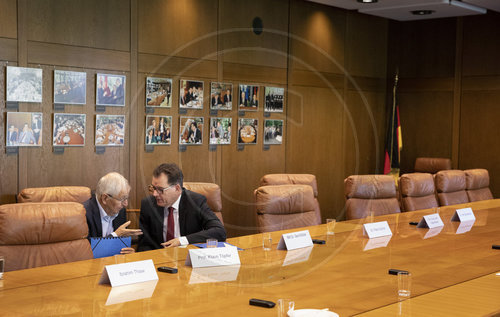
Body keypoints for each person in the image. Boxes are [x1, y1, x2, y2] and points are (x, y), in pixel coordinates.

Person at [137, 163, 226, 251]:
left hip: (188, 256)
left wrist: (182, 240)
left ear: (177, 188)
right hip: (159, 258)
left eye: (160, 190)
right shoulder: (148, 204)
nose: (155, 194)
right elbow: (144, 244)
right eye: (153, 188)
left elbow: (219, 231)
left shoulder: (195, 202)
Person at [83, 172, 142, 254]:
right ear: (105, 198)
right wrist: (115, 235)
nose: (126, 204)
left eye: (127, 198)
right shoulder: (84, 214)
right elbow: (87, 250)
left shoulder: (120, 211)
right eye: (122, 199)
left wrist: (128, 251)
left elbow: (121, 246)